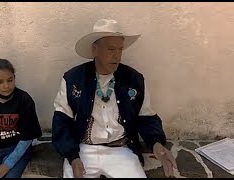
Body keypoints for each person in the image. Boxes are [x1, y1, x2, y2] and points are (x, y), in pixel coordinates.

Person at [52, 18, 178, 178]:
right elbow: (61, 121)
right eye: (111, 49)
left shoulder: (134, 79)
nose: (117, 55)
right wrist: (72, 157)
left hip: (121, 150)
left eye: (120, 49)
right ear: (95, 49)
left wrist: (156, 143)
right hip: (83, 150)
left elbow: (146, 117)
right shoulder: (73, 79)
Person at [0, 58, 42, 178]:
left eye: (10, 80)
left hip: (17, 150)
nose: (6, 86)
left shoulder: (24, 100)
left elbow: (27, 138)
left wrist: (7, 165)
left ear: (14, 78)